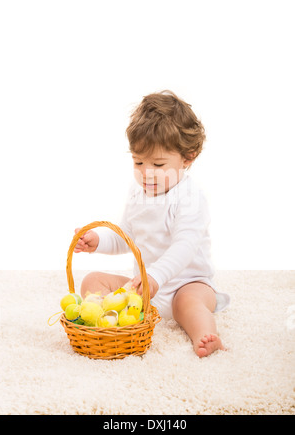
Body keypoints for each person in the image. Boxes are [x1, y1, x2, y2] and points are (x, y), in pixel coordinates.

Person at [74, 90, 230, 357]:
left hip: (188, 282)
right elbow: (127, 235)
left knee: (187, 303)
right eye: (138, 162)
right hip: (145, 288)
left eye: (158, 164)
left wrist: (156, 276)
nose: (146, 173)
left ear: (188, 157)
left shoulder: (189, 197)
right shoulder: (138, 193)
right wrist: (98, 241)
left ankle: (206, 336)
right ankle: (108, 321)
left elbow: (185, 246)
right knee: (93, 279)